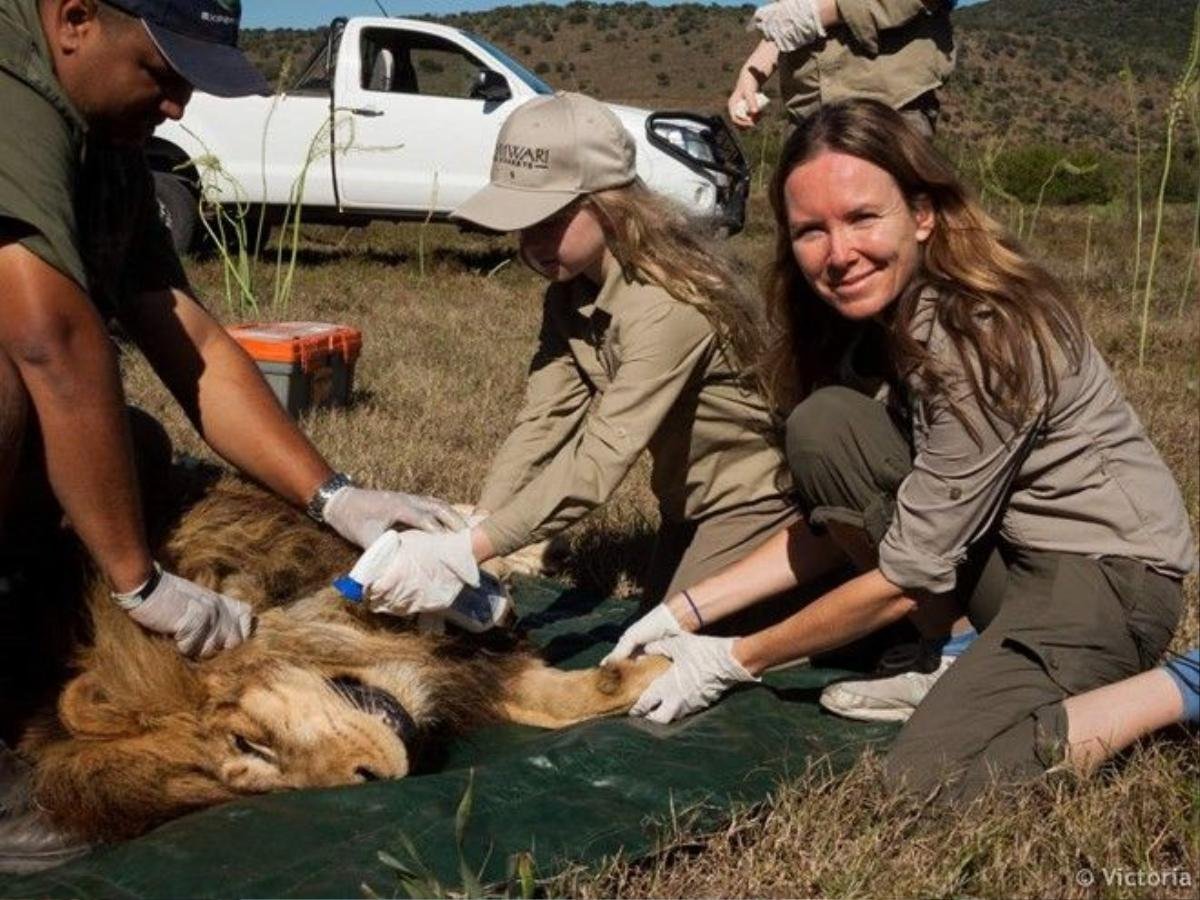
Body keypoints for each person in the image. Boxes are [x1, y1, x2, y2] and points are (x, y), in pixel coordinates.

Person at [605, 99, 1196, 802]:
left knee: (931, 782)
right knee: (826, 424)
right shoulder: (883, 317)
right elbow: (845, 527)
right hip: (1002, 551)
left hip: (1102, 574)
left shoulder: (983, 334)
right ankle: (953, 650)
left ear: (922, 214)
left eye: (861, 218)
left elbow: (906, 574)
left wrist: (735, 659)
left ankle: (1182, 686)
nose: (838, 253)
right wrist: (682, 615)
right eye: (811, 231)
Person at [0, 0, 463, 680]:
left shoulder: (106, 140)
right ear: (74, 20)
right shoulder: (11, 85)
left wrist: (335, 497)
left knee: (138, 452)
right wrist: (141, 583)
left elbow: (191, 341)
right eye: (161, 74)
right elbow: (53, 342)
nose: (178, 107)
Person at [349, 92, 815, 620]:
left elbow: (597, 462)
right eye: (522, 223)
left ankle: (829, 570)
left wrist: (466, 552)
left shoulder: (667, 305)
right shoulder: (569, 291)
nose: (532, 241)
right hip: (685, 505)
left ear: (611, 204)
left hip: (755, 499)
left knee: (670, 643)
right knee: (658, 627)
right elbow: (543, 419)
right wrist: (479, 521)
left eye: (549, 220)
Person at [727, 0, 956, 137]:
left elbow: (808, 15)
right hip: (806, 121)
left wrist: (828, 11)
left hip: (887, 113)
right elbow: (793, 18)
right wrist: (752, 71)